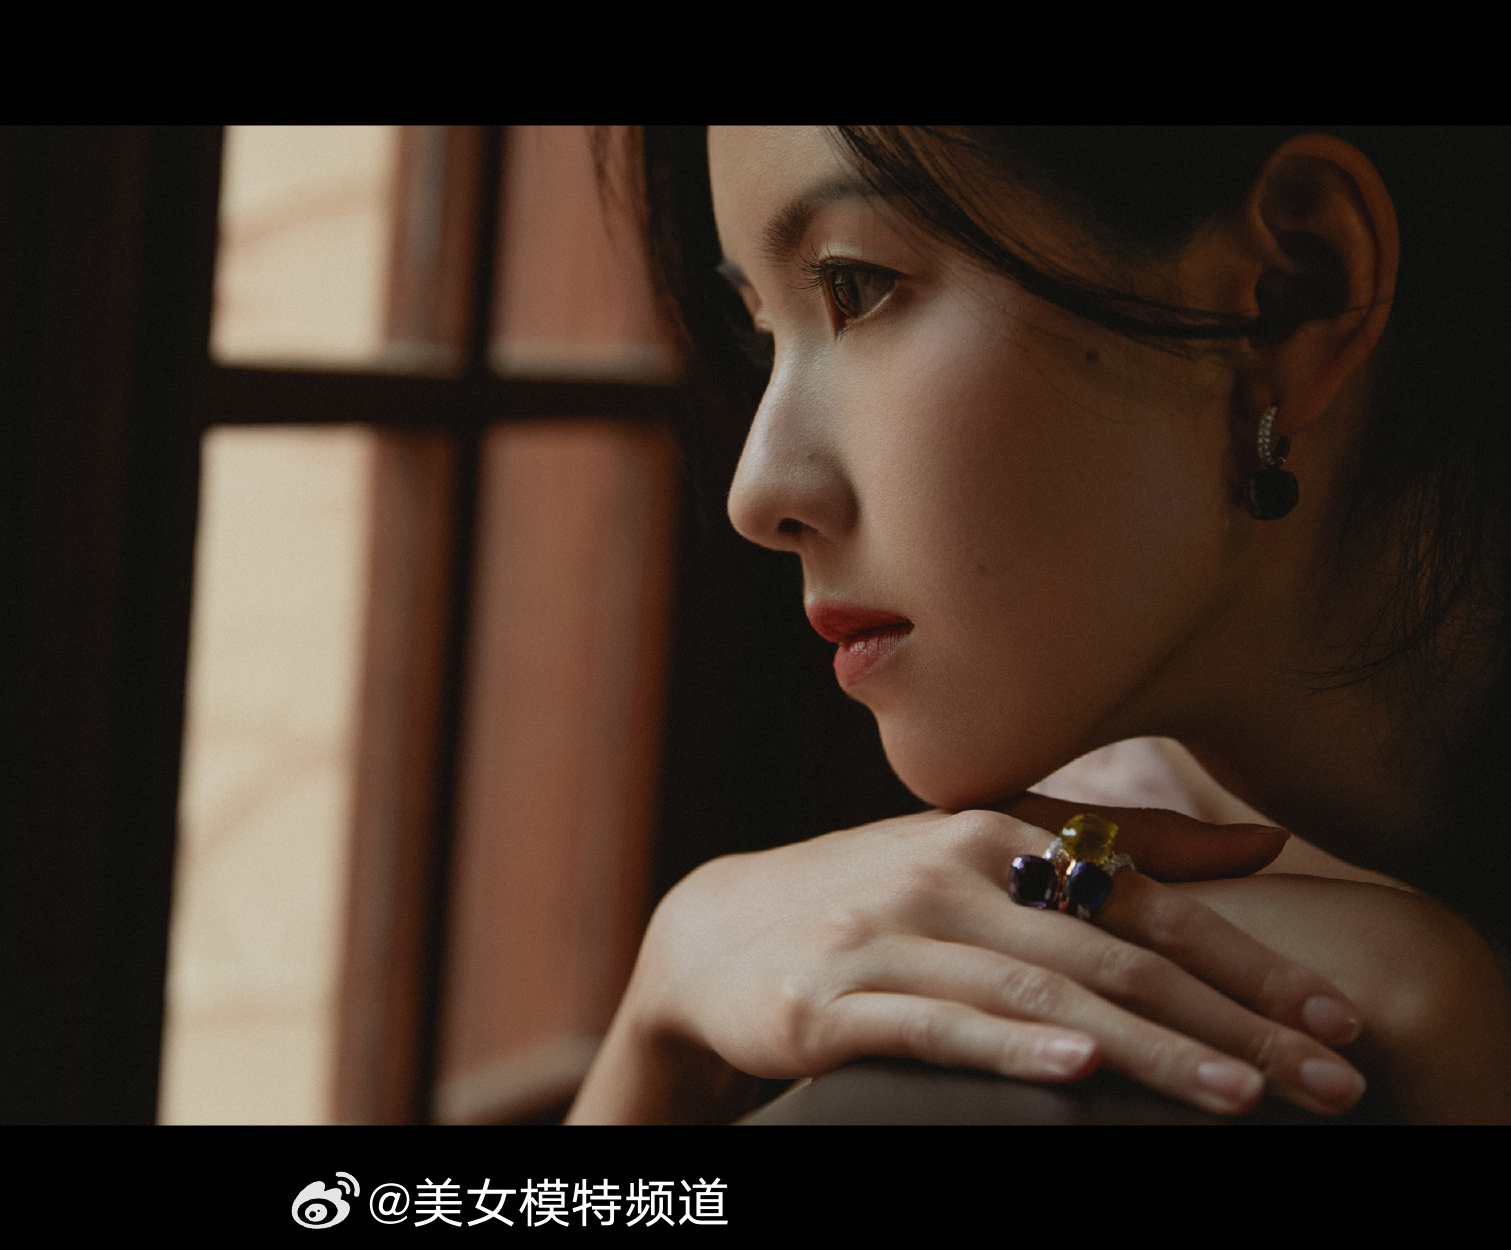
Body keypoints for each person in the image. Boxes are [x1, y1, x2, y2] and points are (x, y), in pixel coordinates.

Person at [568, 127, 1511, 1124]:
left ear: (1285, 299)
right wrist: (660, 1016)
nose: (757, 494)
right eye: (763, 335)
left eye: (857, 287)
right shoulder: (1104, 839)